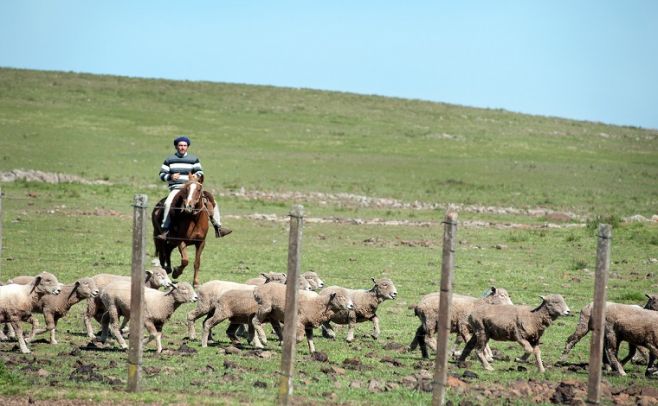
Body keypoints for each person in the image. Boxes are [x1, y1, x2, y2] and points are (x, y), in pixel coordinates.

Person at [157, 135, 232, 240]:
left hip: (192, 187)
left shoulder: (193, 159)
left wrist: (195, 177)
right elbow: (161, 174)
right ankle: (166, 230)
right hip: (177, 188)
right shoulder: (169, 160)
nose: (182, 147)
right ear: (176, 146)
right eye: (180, 145)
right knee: (168, 203)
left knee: (211, 200)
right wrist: (170, 176)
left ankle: (218, 227)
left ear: (187, 147)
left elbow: (200, 172)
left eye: (185, 145)